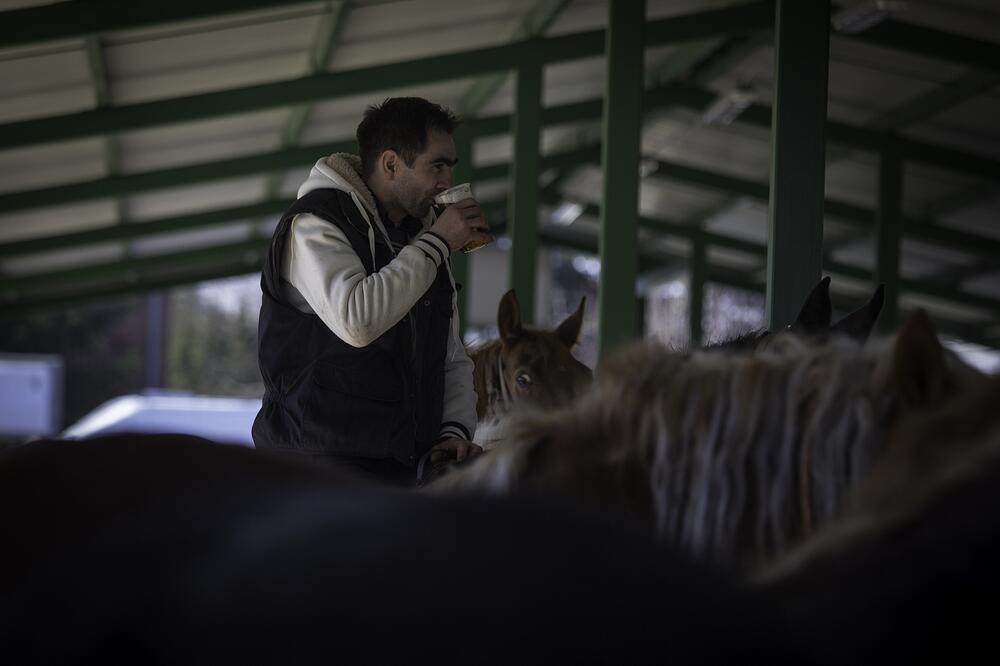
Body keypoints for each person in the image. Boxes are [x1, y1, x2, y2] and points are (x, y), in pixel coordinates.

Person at [252, 97, 491, 486]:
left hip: (402, 465)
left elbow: (450, 355)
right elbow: (358, 320)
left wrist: (453, 433)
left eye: (450, 166)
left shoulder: (423, 236)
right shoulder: (315, 222)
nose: (447, 181)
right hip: (316, 466)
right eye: (437, 165)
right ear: (392, 164)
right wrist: (437, 243)